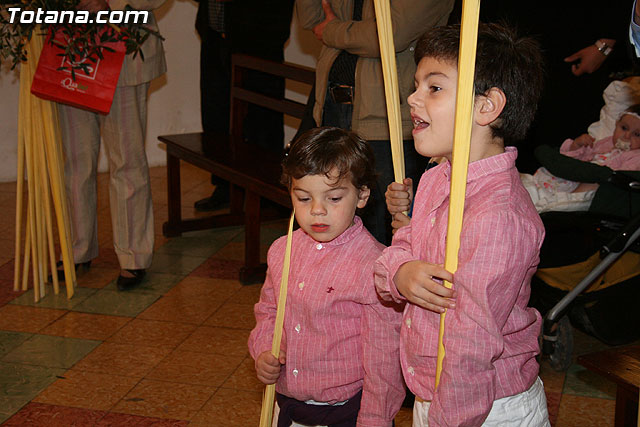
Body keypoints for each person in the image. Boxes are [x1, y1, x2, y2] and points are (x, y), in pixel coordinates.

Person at [374, 23, 550, 426]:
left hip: (484, 407)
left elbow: (471, 343)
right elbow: (406, 241)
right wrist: (400, 271)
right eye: (416, 84)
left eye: (434, 87)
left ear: (487, 107)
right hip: (436, 391)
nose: (412, 97)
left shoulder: (497, 216)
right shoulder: (440, 175)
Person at [248, 127, 405, 426]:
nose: (317, 211)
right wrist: (264, 350)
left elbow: (384, 361)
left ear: (361, 195)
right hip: (289, 405)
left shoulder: (377, 266)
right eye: (304, 198)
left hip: (348, 412)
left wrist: (375, 420)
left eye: (333, 198)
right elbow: (269, 312)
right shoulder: (283, 250)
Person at [295, 0, 454, 245]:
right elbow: (310, 20)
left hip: (385, 117)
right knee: (327, 213)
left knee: (380, 228)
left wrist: (332, 31)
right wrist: (341, 30)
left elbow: (389, 34)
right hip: (332, 104)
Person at [57, 0, 166, 290]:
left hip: (126, 54)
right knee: (76, 161)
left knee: (126, 161)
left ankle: (133, 257)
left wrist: (107, 3)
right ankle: (77, 248)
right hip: (70, 49)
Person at [194, 0, 294, 211]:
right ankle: (224, 186)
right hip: (215, 37)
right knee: (216, 113)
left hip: (258, 39)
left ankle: (265, 191)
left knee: (262, 118)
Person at [522, 105, 640, 213]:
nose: (627, 136)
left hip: (597, 185)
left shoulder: (636, 157)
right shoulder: (606, 143)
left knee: (595, 184)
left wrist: (601, 173)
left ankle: (561, 201)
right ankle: (535, 188)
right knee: (553, 172)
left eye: (637, 134)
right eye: (624, 128)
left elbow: (621, 177)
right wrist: (577, 146)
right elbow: (576, 160)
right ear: (616, 125)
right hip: (579, 176)